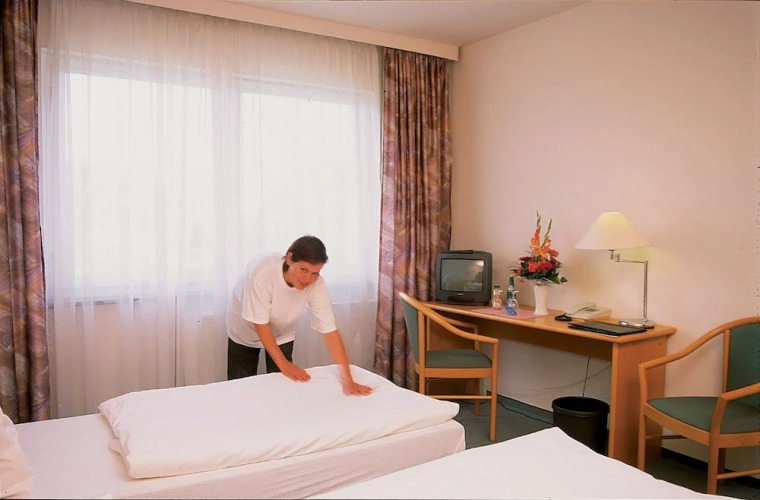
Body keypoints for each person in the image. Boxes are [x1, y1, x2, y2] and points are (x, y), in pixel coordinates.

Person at [226, 235, 372, 396]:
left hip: (282, 332)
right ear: (289, 259)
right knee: (241, 388)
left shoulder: (316, 285)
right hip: (246, 330)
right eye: (303, 269)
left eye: (315, 273)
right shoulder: (263, 273)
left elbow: (330, 332)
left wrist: (348, 381)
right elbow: (260, 325)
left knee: (283, 388)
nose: (308, 279)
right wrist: (284, 365)